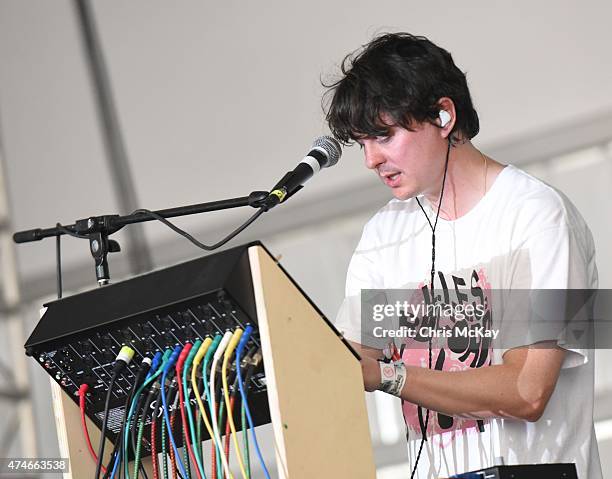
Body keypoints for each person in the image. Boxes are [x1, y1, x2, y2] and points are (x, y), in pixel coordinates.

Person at [326, 33, 602, 478]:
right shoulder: (382, 235)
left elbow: (527, 391)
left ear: (443, 115)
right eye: (363, 143)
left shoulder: (541, 217)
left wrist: (389, 376)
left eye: (384, 135)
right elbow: (347, 361)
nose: (371, 160)